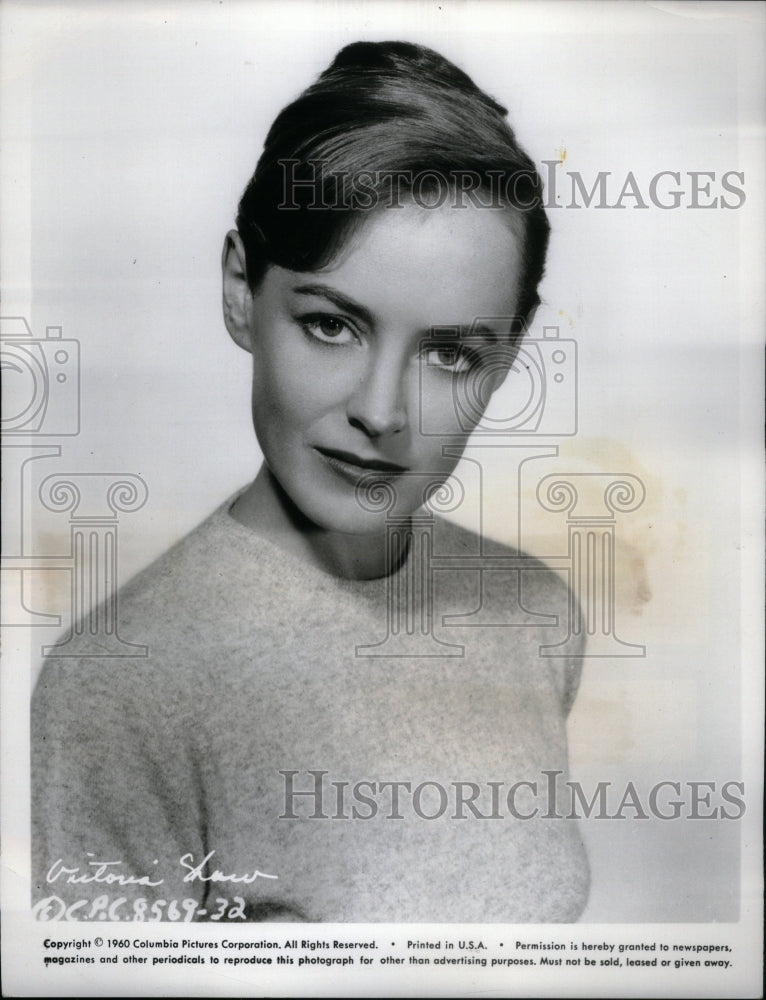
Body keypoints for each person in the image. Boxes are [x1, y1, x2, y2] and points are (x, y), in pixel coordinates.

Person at [31, 40, 589, 924]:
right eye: (333, 326)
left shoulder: (535, 613)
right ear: (240, 291)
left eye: (449, 353)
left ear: (508, 359)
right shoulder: (120, 683)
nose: (381, 411)